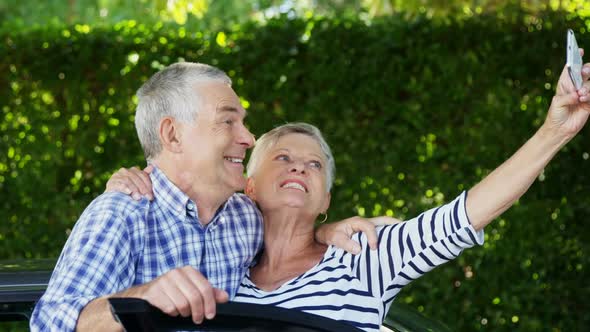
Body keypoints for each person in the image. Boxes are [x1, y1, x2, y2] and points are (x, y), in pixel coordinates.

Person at [110, 53, 590, 332]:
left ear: (325, 202)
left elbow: (465, 215)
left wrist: (555, 131)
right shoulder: (226, 269)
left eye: (314, 165)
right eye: (282, 158)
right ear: (248, 187)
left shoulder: (362, 253)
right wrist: (134, 178)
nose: (300, 165)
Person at [30, 62, 391, 332]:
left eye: (243, 122)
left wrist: (324, 233)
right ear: (172, 135)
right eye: (228, 121)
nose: (248, 138)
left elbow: (293, 234)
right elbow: (48, 322)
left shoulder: (244, 217)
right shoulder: (122, 214)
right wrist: (141, 301)